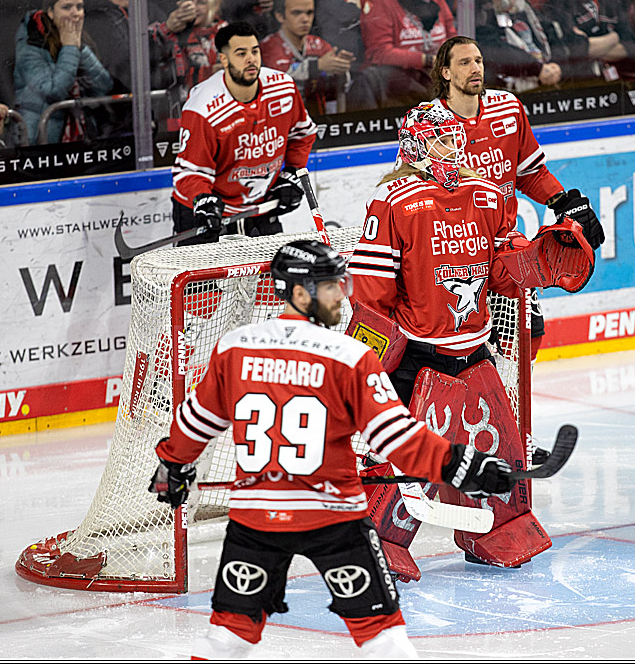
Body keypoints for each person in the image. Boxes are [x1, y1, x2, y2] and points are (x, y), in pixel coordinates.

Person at [149, 239, 515, 659]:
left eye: (342, 283)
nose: (342, 294)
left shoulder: (236, 347)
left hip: (257, 520)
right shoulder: (349, 356)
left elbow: (196, 421)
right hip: (333, 521)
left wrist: (172, 467)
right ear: (299, 292)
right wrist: (462, 464)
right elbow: (397, 438)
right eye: (330, 287)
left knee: (226, 639)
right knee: (384, 639)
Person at [348, 101, 565, 578]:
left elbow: (505, 273)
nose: (455, 149)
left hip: (474, 351)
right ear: (417, 146)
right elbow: (371, 292)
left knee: (498, 449)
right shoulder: (392, 201)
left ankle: (498, 529)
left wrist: (540, 257)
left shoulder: (486, 195)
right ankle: (378, 539)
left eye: (456, 139)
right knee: (400, 456)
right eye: (443, 140)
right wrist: (370, 362)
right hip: (416, 358)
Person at [428, 35, 606, 360]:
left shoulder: (507, 108)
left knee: (528, 336)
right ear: (446, 73)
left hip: (504, 248)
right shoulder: (427, 123)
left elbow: (529, 173)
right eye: (464, 62)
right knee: (464, 352)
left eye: (478, 61)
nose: (475, 68)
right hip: (455, 257)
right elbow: (410, 193)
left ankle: (513, 396)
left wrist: (562, 202)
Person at [170, 22, 316, 247]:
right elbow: (190, 171)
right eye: (241, 53)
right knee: (206, 273)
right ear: (224, 59)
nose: (251, 59)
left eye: (255, 51)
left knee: (271, 270)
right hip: (206, 212)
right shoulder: (203, 107)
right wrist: (203, 199)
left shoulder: (283, 88)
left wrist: (292, 173)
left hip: (260, 206)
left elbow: (303, 134)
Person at [13, 0, 112, 145]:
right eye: (67, 7)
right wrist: (70, 47)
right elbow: (55, 91)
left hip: (82, 135)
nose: (75, 13)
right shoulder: (30, 44)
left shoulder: (81, 41)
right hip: (41, 138)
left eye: (79, 7)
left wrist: (79, 48)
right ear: (51, 12)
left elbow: (104, 86)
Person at [349, 0, 455, 111]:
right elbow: (379, 52)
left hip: (436, 78)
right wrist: (427, 60)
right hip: (399, 86)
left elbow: (451, 34)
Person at [259, 0, 355, 115]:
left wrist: (339, 68)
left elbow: (340, 86)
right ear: (280, 16)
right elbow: (281, 74)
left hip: (319, 116)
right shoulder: (269, 45)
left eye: (309, 13)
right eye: (297, 13)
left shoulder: (319, 44)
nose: (305, 19)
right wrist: (317, 66)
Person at [473, 0, 574, 93]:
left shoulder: (522, 5)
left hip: (545, 74)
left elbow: (550, 33)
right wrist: (537, 69)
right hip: (507, 88)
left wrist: (556, 65)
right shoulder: (476, 10)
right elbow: (491, 48)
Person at [149, 0, 228, 123]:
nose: (194, 7)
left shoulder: (227, 32)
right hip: (179, 116)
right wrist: (167, 28)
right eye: (189, 0)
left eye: (201, 2)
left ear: (215, 5)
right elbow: (142, 55)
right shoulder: (170, 31)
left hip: (220, 114)